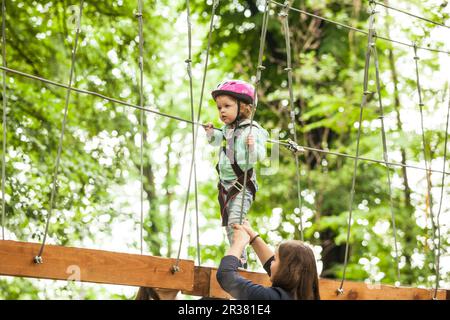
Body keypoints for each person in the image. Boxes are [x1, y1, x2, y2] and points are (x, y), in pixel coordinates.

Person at [203, 80, 269, 269]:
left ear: (243, 107)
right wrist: (210, 133)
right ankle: (240, 256)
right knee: (230, 226)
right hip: (225, 185)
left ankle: (239, 261)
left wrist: (252, 146)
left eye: (227, 106)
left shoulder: (253, 130)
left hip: (242, 186)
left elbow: (260, 156)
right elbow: (216, 141)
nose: (222, 111)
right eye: (219, 108)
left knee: (235, 223)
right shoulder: (227, 129)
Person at [216, 221, 320, 300]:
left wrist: (239, 242)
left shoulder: (270, 297)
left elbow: (226, 275)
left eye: (275, 259)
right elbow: (274, 266)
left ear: (286, 269)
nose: (271, 264)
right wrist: (253, 237)